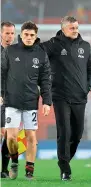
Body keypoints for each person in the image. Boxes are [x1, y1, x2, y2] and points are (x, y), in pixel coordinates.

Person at [41, 16, 91, 181]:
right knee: (64, 131)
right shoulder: (53, 44)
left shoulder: (85, 47)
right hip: (60, 96)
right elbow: (34, 53)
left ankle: (64, 160)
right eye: (72, 28)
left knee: (78, 134)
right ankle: (65, 168)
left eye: (77, 27)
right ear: (64, 29)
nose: (75, 30)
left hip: (80, 96)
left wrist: (88, 87)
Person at [1, 21, 52, 180]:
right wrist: (1, 93)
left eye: (32, 35)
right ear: (21, 35)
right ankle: (14, 161)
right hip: (12, 101)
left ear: (35, 36)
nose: (29, 38)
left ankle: (29, 170)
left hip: (31, 102)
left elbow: (45, 80)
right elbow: (2, 74)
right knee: (11, 136)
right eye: (26, 35)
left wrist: (47, 102)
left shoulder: (41, 54)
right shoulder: (10, 51)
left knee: (31, 136)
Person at [1, 21, 15, 179]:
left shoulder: (18, 53)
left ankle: (4, 169)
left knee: (7, 133)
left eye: (12, 33)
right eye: (7, 33)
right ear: (1, 33)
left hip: (11, 98)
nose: (10, 36)